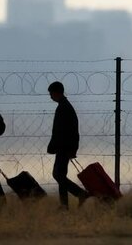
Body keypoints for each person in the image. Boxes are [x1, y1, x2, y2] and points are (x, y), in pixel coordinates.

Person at [47, 81, 89, 210]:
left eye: (51, 94)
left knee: (58, 175)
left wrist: (56, 146)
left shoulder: (63, 107)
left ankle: (80, 194)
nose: (50, 97)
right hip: (65, 146)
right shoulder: (65, 106)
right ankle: (64, 205)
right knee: (61, 175)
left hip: (64, 147)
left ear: (56, 92)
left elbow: (61, 131)